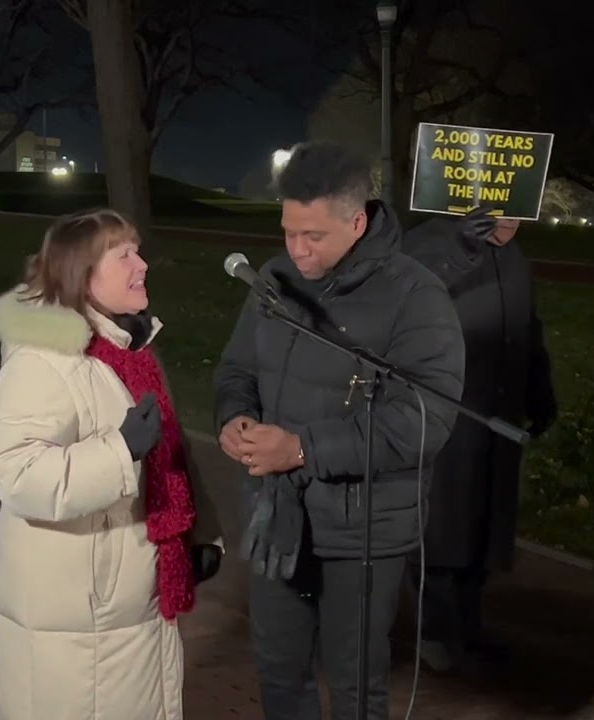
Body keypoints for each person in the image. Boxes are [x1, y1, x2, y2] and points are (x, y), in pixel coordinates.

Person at [212, 140, 466, 719]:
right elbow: (236, 370)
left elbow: (422, 422)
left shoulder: (416, 297)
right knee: (281, 676)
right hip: (277, 519)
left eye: (314, 237)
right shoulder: (273, 280)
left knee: (354, 689)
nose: (296, 251)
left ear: (357, 221)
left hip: (364, 533)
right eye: (288, 232)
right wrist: (235, 417)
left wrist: (302, 448)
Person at [0, 208, 224, 720]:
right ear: (83, 276)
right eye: (124, 256)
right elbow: (16, 473)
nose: (142, 265)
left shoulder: (129, 348)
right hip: (75, 610)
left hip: (127, 600)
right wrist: (118, 452)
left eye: (138, 251)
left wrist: (197, 533)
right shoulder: (43, 357)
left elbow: (169, 451)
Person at [399, 208, 559, 676]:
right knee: (443, 525)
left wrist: (539, 390)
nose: (510, 223)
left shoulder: (515, 258)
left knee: (484, 525)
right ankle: (435, 632)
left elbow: (528, 328)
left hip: (499, 414)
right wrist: (460, 247)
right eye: (501, 210)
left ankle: (468, 628)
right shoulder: (429, 239)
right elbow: (406, 292)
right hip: (447, 414)